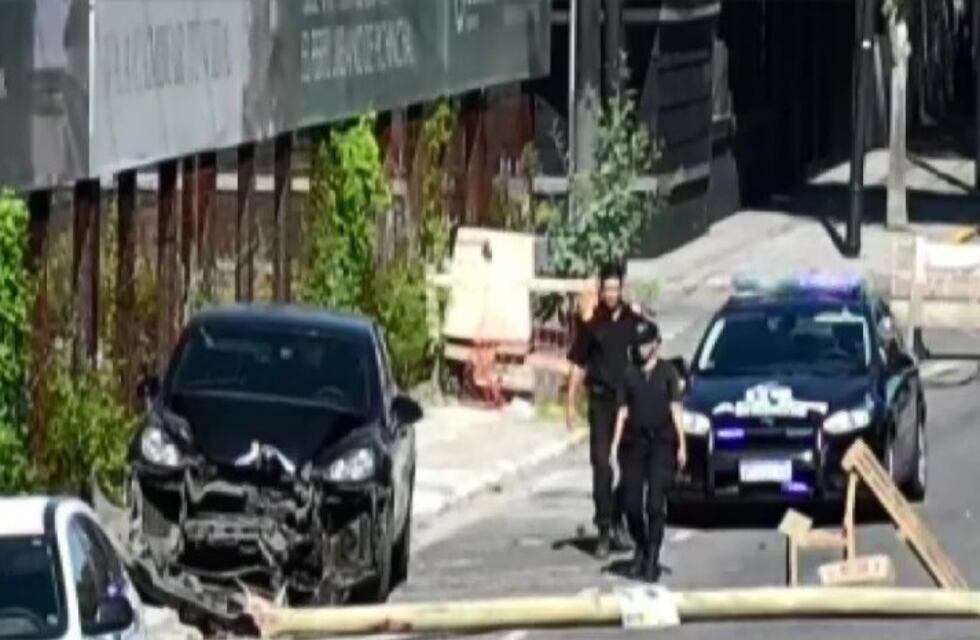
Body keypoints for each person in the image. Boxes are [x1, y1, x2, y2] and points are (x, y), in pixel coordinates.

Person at [566, 262, 643, 559]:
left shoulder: (633, 323)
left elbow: (648, 357)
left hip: (628, 404)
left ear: (622, 288)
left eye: (615, 288)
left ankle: (618, 518)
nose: (611, 294)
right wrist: (570, 406)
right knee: (602, 465)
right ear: (601, 290)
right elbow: (577, 365)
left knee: (630, 467)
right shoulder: (591, 325)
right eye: (606, 288)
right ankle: (603, 530)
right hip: (600, 403)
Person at [610, 320, 686, 582]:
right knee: (631, 504)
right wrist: (614, 445)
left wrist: (682, 445)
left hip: (661, 443)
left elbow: (676, 409)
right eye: (638, 344)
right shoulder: (629, 374)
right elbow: (622, 411)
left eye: (646, 343)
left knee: (655, 503)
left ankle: (652, 558)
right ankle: (641, 547)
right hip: (635, 443)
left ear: (656, 344)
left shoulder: (667, 374)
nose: (642, 349)